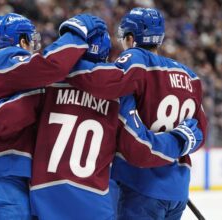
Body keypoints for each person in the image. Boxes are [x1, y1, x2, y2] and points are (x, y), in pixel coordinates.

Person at [0, 16, 204, 220]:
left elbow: (13, 109)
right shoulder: (178, 80)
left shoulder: (45, 85)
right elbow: (137, 144)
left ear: (130, 38)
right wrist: (180, 142)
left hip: (44, 199)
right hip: (106, 199)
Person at [0, 12, 105, 220]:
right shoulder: (9, 60)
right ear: (21, 40)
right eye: (29, 40)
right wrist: (77, 31)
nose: (32, 48)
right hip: (2, 184)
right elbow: (52, 67)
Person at [65, 7, 208, 219]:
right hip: (177, 189)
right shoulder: (190, 76)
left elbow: (104, 83)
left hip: (140, 187)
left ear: (131, 38)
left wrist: (68, 65)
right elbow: (200, 133)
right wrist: (179, 142)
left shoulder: (136, 60)